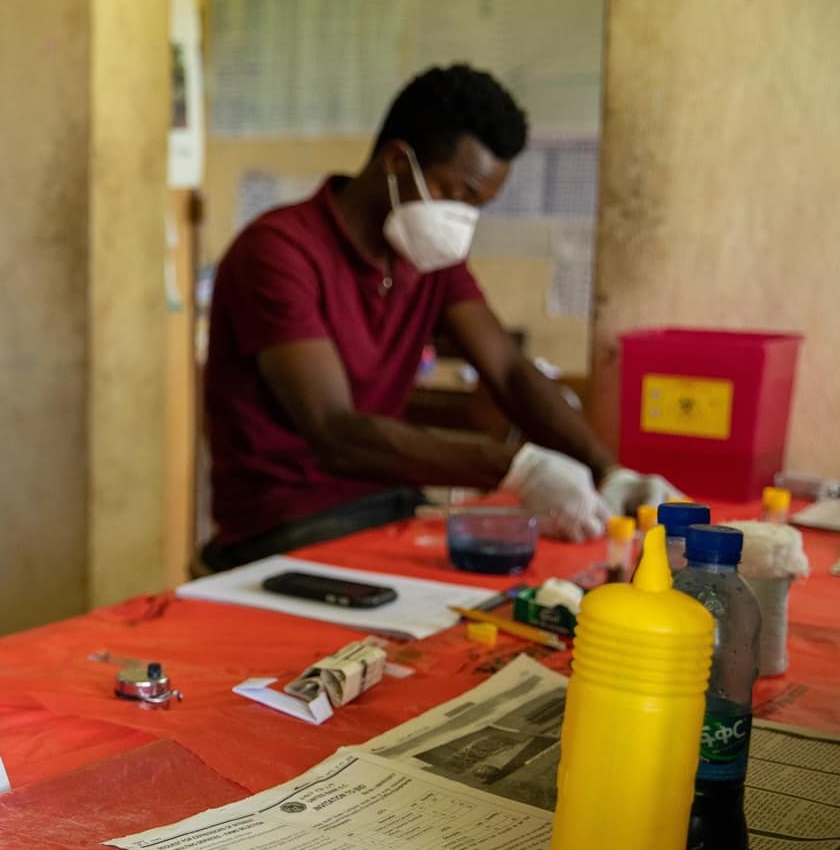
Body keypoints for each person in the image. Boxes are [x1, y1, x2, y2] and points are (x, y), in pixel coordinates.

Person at [202, 64, 678, 570]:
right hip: (282, 526)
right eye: (458, 194)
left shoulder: (428, 260)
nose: (463, 219)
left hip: (387, 504)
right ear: (395, 161)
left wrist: (608, 470)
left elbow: (510, 372)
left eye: (480, 205)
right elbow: (335, 433)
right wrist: (517, 467)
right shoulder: (279, 253)